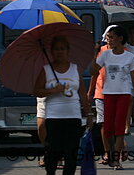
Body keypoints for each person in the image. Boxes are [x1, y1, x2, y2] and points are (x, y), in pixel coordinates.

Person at [33, 35, 92, 175]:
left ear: (68, 51)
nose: (59, 52)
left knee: (71, 154)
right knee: (53, 152)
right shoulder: (46, 70)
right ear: (52, 52)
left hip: (73, 117)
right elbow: (36, 91)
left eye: (62, 49)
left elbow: (82, 93)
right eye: (56, 49)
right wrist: (52, 90)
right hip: (53, 118)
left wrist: (89, 113)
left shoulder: (75, 69)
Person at [92, 25, 134, 170]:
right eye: (108, 38)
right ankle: (109, 153)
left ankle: (116, 159)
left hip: (123, 95)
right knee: (107, 128)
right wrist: (95, 53)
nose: (109, 40)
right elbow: (93, 71)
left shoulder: (129, 56)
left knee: (119, 128)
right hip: (108, 94)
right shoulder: (105, 55)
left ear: (120, 39)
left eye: (112, 37)